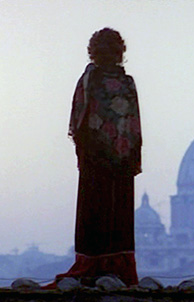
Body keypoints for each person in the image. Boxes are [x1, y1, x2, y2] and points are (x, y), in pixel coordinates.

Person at [51, 28, 142, 287]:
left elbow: (78, 121)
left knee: (96, 211)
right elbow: (134, 125)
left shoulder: (89, 80)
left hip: (96, 157)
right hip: (121, 159)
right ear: (120, 52)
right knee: (117, 213)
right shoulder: (127, 83)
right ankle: (116, 266)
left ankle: (93, 265)